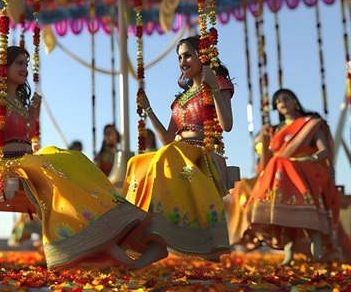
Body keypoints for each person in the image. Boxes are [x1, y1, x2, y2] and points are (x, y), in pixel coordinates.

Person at [0, 45, 153, 270]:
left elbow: (27, 137)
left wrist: (34, 115)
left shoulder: (22, 105)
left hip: (29, 160)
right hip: (10, 164)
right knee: (52, 164)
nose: (24, 68)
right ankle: (93, 239)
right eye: (19, 63)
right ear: (5, 68)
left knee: (73, 158)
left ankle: (104, 227)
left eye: (26, 64)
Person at [123, 35, 234, 268]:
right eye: (179, 57)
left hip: (203, 154)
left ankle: (158, 245)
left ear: (202, 56)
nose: (182, 61)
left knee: (166, 157)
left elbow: (227, 125)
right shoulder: (180, 99)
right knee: (137, 163)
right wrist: (149, 110)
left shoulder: (217, 83)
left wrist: (213, 86)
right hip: (177, 152)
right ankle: (132, 231)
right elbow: (166, 139)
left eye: (188, 55)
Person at [236, 89, 351, 264]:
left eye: (285, 99)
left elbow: (324, 151)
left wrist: (308, 159)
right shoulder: (276, 130)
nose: (282, 104)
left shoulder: (310, 124)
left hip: (304, 173)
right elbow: (264, 154)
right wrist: (263, 137)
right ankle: (288, 254)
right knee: (284, 218)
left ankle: (317, 252)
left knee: (308, 217)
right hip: (281, 177)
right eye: (278, 103)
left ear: (294, 101)